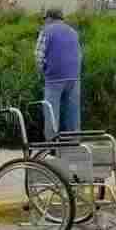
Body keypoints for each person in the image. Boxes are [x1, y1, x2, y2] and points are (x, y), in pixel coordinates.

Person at [35, 8, 82, 140]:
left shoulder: (46, 30)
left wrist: (42, 72)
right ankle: (74, 142)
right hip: (74, 77)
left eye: (45, 19)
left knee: (51, 112)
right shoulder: (73, 32)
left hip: (54, 78)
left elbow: (38, 56)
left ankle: (52, 143)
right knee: (72, 113)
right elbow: (79, 54)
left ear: (49, 18)